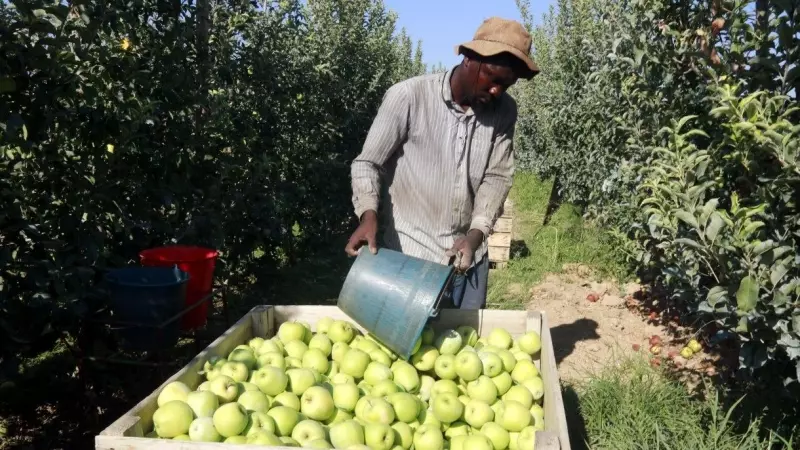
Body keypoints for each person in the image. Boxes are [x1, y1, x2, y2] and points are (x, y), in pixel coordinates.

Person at [345, 17, 540, 309]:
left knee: (463, 348)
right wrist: (368, 215)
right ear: (469, 59)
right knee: (401, 349)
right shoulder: (409, 97)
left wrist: (475, 237)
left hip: (467, 259)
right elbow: (368, 163)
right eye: (493, 78)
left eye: (507, 85)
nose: (498, 91)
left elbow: (497, 177)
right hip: (407, 259)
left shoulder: (504, 111)